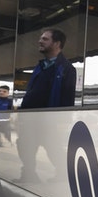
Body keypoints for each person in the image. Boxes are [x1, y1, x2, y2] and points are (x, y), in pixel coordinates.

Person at [17, 28, 77, 181]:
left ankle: (64, 176)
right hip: (30, 117)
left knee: (53, 148)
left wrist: (63, 120)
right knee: (25, 146)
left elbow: (68, 96)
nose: (40, 41)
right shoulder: (40, 66)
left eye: (45, 39)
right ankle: (29, 174)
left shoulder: (67, 68)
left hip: (49, 119)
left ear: (56, 43)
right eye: (41, 38)